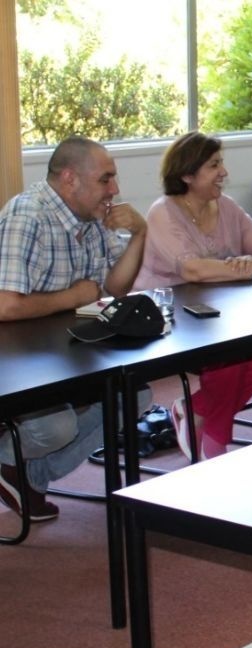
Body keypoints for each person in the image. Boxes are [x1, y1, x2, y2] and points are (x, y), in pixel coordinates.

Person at [0, 136, 148, 522]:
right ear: (70, 179)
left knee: (135, 397)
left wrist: (140, 233)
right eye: (106, 179)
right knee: (57, 427)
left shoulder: (91, 217)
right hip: (16, 358)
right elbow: (5, 305)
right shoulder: (27, 215)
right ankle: (5, 458)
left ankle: (29, 475)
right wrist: (73, 297)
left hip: (65, 348)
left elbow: (116, 287)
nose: (114, 189)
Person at [135, 131, 252, 459]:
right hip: (166, 312)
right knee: (231, 355)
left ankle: (194, 410)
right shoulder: (163, 211)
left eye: (221, 163)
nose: (224, 172)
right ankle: (215, 437)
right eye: (214, 165)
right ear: (187, 175)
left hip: (217, 308)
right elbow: (192, 270)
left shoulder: (226, 205)